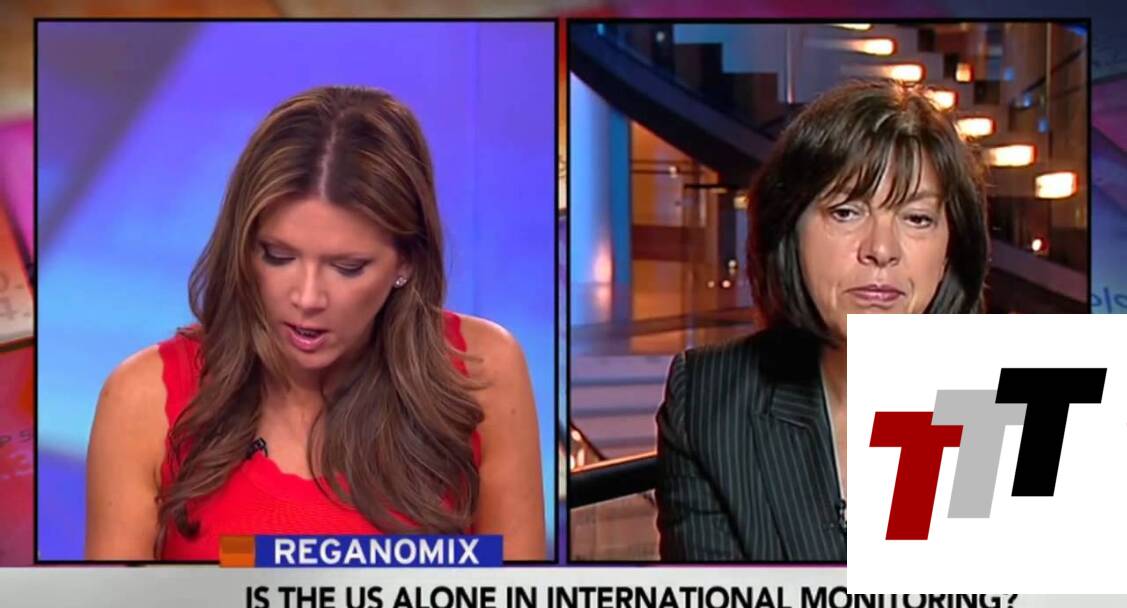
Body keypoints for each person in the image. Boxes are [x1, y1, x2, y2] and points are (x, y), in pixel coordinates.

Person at [85, 86, 546, 561]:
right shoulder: (144, 400)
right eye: (278, 256)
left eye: (347, 267)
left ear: (407, 261)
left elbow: (518, 594)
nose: (307, 298)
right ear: (242, 247)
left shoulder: (481, 372)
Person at [655, 79, 990, 562]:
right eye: (846, 212)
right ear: (790, 229)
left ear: (951, 250)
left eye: (917, 218)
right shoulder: (710, 401)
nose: (881, 249)